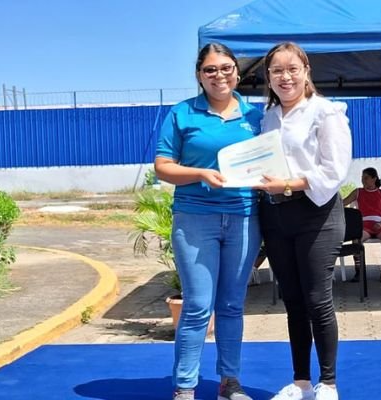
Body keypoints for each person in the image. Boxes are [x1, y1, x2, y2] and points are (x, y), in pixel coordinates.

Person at [154, 42, 263, 400]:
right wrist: (200, 172)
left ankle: (229, 383)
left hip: (244, 217)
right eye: (210, 69)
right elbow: (163, 166)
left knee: (231, 304)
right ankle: (185, 387)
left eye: (226, 68)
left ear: (237, 71)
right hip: (195, 218)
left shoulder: (255, 116)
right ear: (199, 75)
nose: (219, 75)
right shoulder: (182, 114)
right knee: (198, 305)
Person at [254, 42, 352, 400]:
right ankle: (301, 383)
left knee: (317, 299)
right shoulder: (268, 116)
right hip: (276, 215)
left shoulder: (326, 113)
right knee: (292, 301)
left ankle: (328, 383)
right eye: (277, 70)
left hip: (317, 214)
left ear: (306, 70)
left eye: (292, 68)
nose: (285, 77)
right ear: (268, 77)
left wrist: (290, 184)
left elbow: (334, 170)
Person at [342, 167, 381, 282]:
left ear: (374, 179)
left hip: (380, 226)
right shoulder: (358, 192)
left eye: (366, 178)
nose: (363, 180)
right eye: (362, 178)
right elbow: (343, 203)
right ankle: (359, 271)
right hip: (364, 225)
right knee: (356, 238)